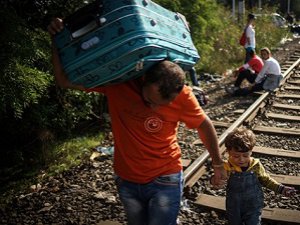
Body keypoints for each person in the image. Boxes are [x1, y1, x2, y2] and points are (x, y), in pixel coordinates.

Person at [48, 18, 226, 225]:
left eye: (162, 104)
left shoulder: (185, 96)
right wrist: (56, 39)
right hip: (127, 180)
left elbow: (205, 126)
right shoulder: (118, 84)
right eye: (148, 100)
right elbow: (63, 81)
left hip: (165, 179)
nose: (154, 108)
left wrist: (218, 164)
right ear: (143, 79)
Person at [215, 127, 297, 225]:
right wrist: (215, 181)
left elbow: (266, 180)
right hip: (234, 205)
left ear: (251, 151)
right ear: (228, 152)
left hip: (253, 204)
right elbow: (218, 180)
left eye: (245, 155)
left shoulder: (256, 165)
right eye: (236, 156)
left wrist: (281, 189)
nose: (241, 160)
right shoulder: (227, 166)